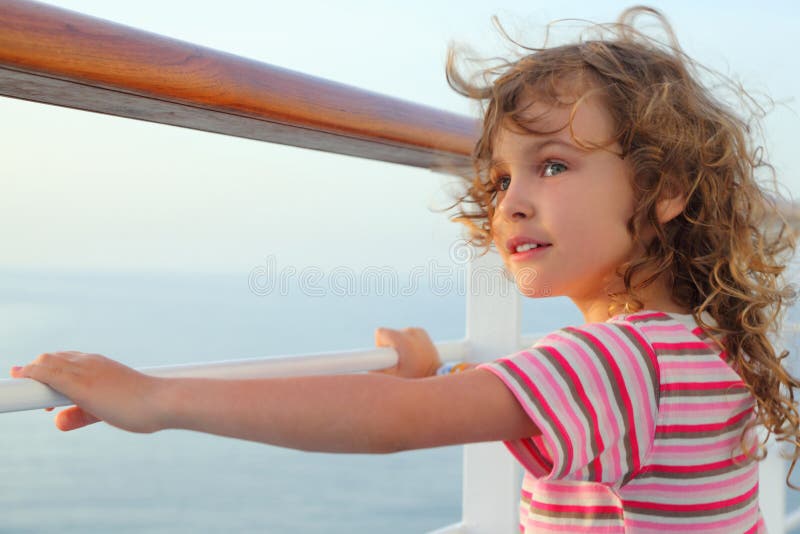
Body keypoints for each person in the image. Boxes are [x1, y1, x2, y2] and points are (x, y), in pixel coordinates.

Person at [10, 6, 799, 532]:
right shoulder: (696, 344)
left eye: (552, 166)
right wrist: (432, 385)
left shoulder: (618, 361)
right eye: (499, 181)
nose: (511, 203)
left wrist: (158, 397)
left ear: (665, 191)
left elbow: (391, 426)